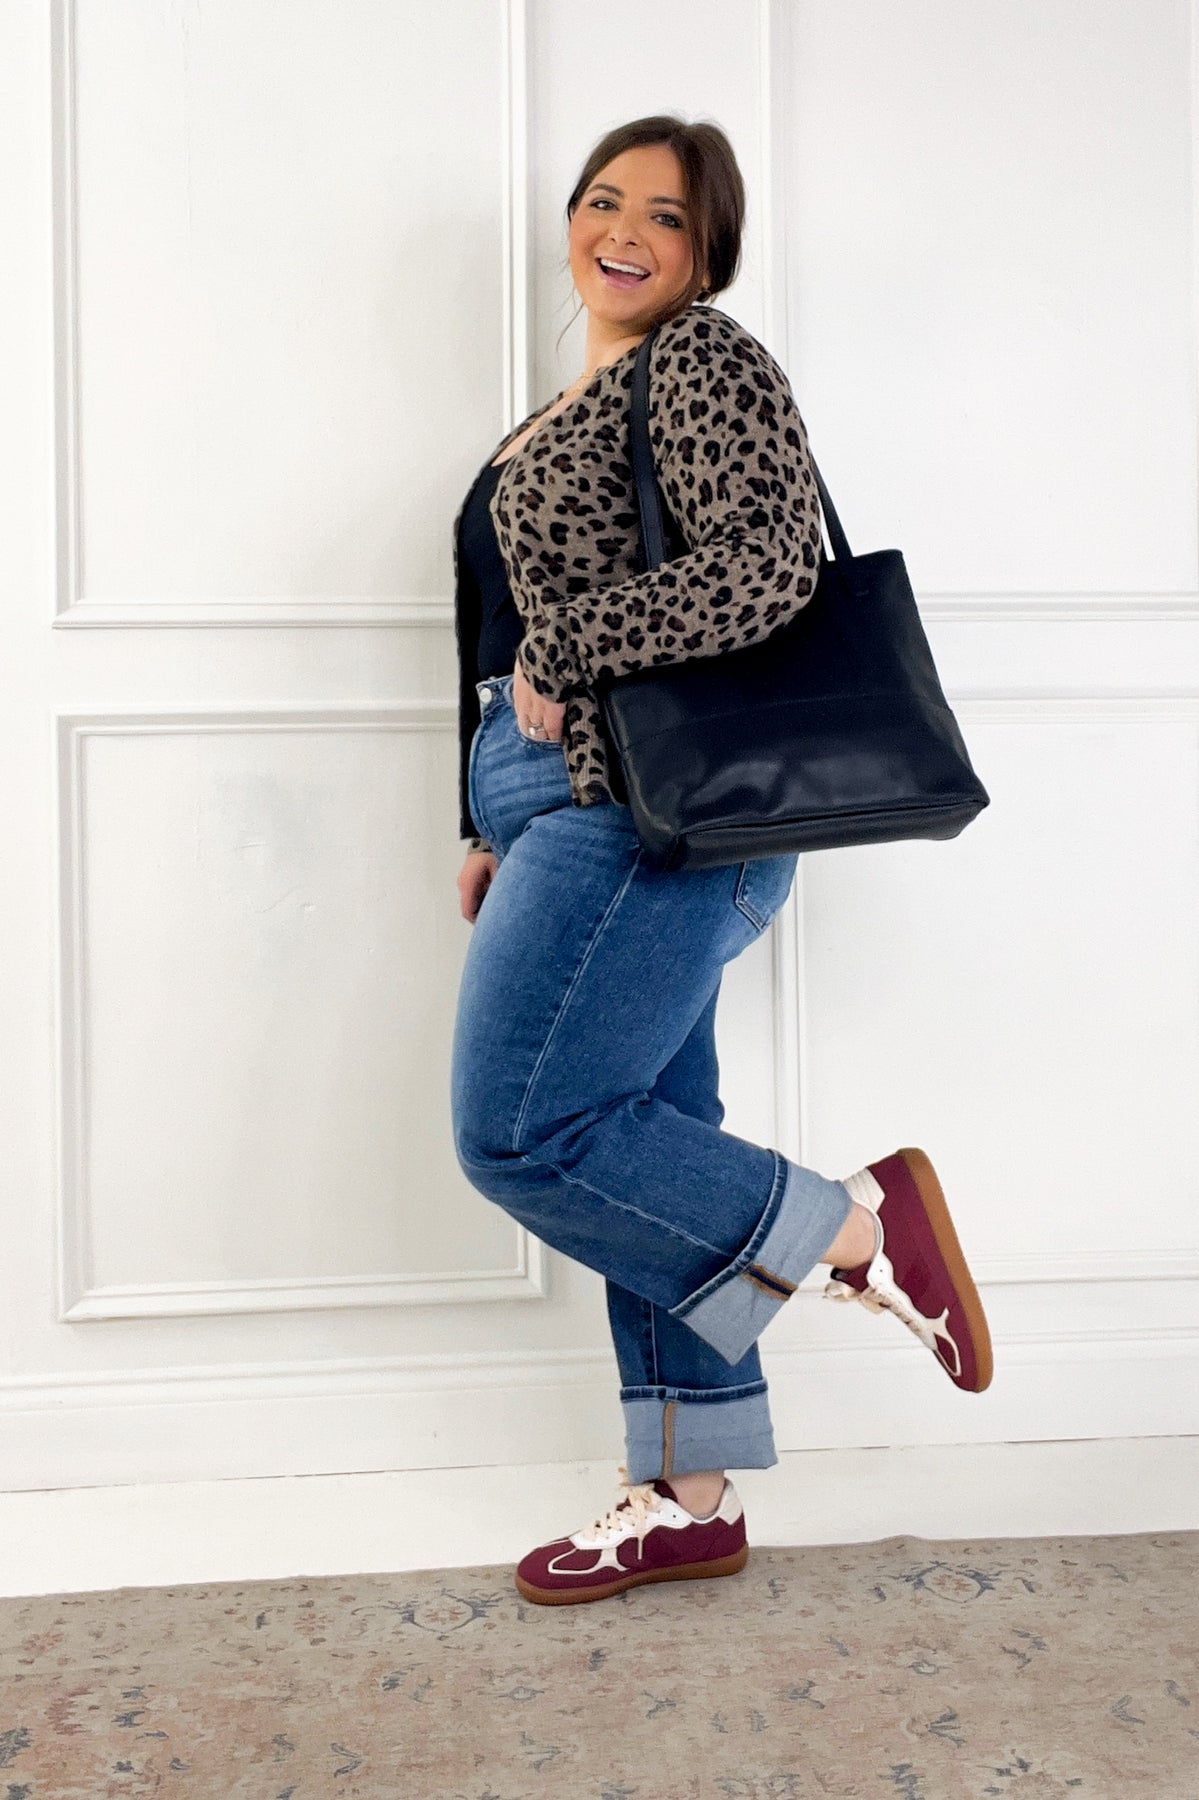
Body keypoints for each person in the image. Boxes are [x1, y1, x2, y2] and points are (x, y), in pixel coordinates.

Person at [449, 115, 992, 1607]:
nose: (624, 233)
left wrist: (570, 647)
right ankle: (691, 1497)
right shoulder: (562, 410)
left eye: (668, 217)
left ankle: (862, 1230)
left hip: (650, 813)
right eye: (603, 200)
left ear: (709, 252)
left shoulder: (702, 359)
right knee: (647, 1140)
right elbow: (493, 637)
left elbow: (766, 568)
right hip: (554, 811)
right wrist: (479, 823)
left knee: (520, 1134)